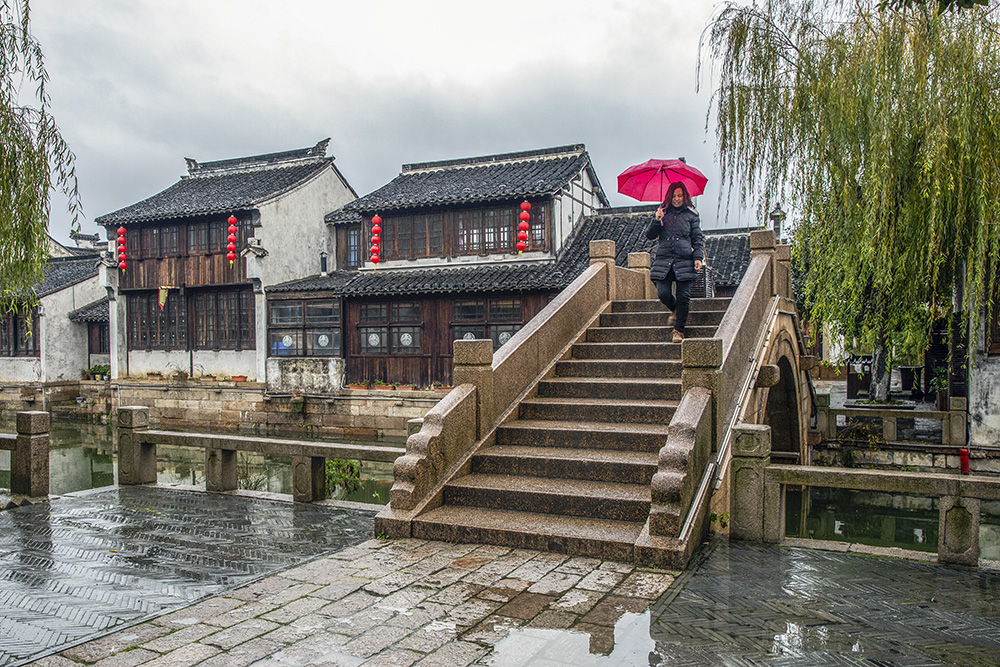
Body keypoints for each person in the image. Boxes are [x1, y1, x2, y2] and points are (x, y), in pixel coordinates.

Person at [645, 181, 705, 342]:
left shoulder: (692, 215)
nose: (677, 199)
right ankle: (674, 309)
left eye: (680, 195)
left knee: (683, 296)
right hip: (664, 259)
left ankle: (678, 330)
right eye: (674, 196)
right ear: (669, 197)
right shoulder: (662, 212)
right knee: (663, 293)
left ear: (684, 196)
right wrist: (657, 220)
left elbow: (697, 238)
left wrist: (698, 257)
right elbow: (650, 235)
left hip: (685, 260)